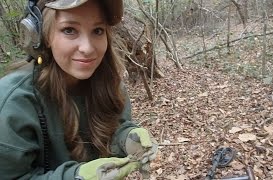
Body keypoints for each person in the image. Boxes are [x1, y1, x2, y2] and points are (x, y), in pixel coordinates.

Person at [0, 0, 158, 179]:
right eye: (69, 30)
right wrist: (75, 176)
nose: (87, 48)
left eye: (98, 30)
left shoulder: (111, 85)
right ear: (41, 35)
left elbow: (112, 129)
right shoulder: (12, 103)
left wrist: (125, 137)